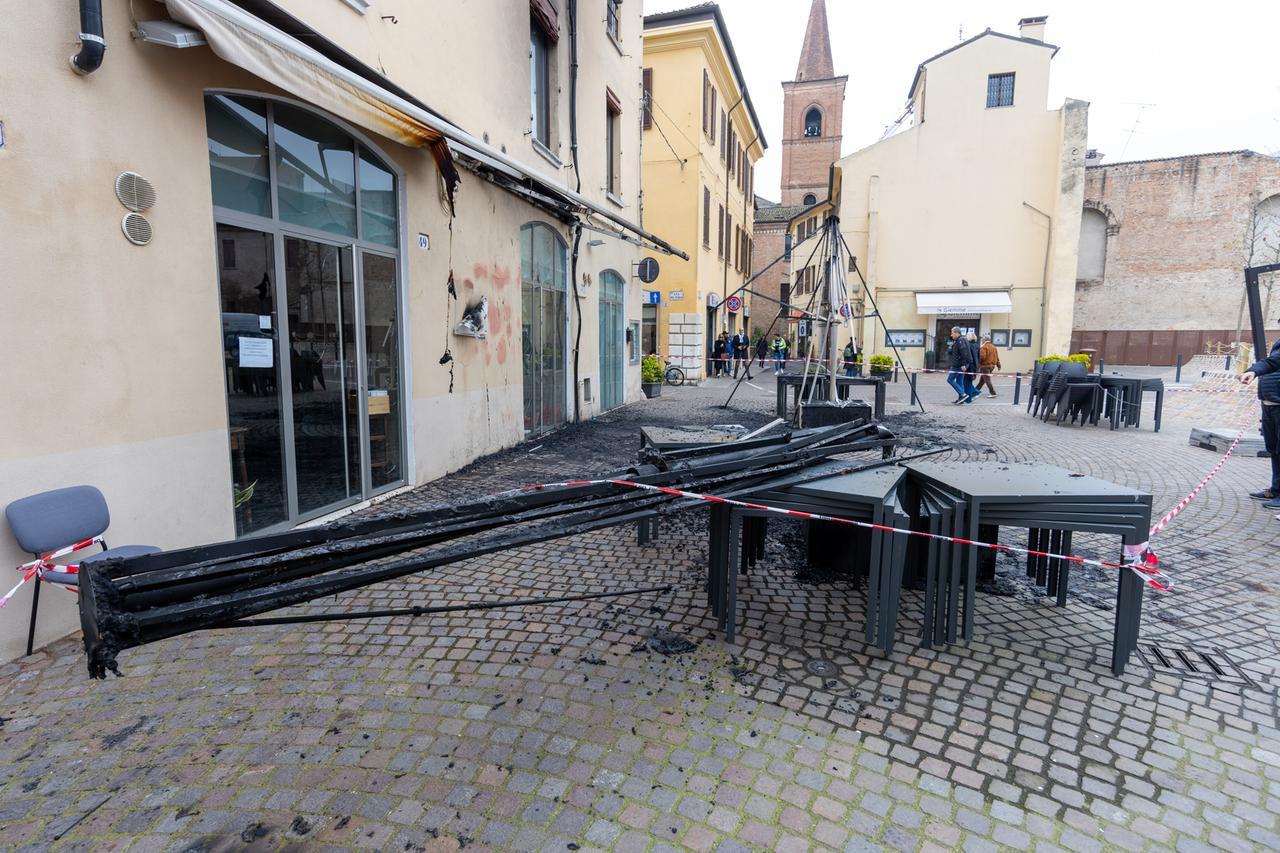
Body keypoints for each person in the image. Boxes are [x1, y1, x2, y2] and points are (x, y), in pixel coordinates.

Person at [1239, 339, 1280, 508]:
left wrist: (1254, 371)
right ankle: (1276, 489)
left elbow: (1274, 362)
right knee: (1274, 449)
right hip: (1270, 403)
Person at [945, 326, 975, 403]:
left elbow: (964, 353)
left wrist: (963, 364)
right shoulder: (960, 340)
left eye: (952, 333)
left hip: (958, 365)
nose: (951, 335)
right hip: (961, 364)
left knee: (950, 379)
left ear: (956, 333)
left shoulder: (960, 340)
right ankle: (961, 399)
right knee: (959, 381)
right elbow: (958, 352)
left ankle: (963, 394)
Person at [963, 332, 982, 402]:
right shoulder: (977, 345)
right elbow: (978, 357)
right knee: (968, 382)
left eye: (966, 336)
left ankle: (968, 399)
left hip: (969, 366)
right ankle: (975, 391)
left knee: (966, 382)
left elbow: (969, 357)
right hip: (975, 366)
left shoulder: (969, 345)